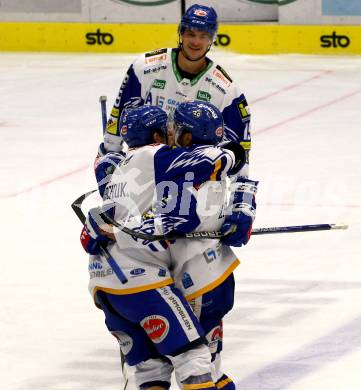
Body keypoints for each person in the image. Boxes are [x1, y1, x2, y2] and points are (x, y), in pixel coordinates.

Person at [81, 103, 250, 389]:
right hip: (150, 280)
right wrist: (234, 154)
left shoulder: (114, 169)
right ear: (159, 137)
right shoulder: (157, 156)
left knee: (151, 372)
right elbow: (204, 170)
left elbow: (94, 228)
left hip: (104, 284)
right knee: (195, 358)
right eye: (169, 130)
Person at [99, 3, 251, 178]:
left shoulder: (226, 90)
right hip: (146, 174)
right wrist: (110, 160)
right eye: (191, 34)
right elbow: (121, 116)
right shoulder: (145, 67)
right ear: (181, 33)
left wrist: (241, 195)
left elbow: (239, 153)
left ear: (212, 39)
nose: (196, 42)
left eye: (203, 36)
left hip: (195, 180)